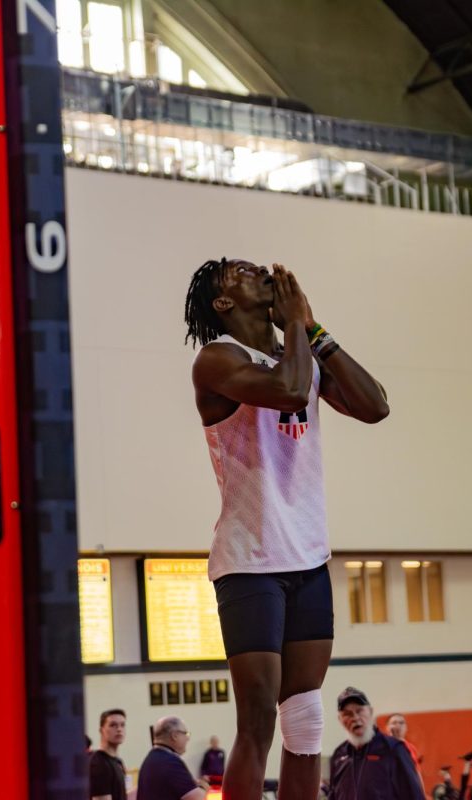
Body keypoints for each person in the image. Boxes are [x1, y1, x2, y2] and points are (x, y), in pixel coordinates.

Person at [185, 259, 389, 800]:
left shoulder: (296, 352)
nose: (259, 270)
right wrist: (296, 324)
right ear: (224, 303)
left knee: (306, 721)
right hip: (250, 560)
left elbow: (376, 406)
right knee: (257, 722)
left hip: (307, 557)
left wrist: (314, 330)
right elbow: (291, 391)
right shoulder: (218, 358)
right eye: (241, 273)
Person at [329, 687, 425, 799]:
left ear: (370, 712)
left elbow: (413, 795)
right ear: (340, 719)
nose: (355, 718)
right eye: (347, 714)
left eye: (359, 711)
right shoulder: (339, 755)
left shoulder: (393, 749)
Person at [137, 716, 208, 800]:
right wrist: (203, 787)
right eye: (186, 734)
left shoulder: (150, 760)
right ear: (174, 736)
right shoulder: (170, 762)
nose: (187, 738)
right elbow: (197, 798)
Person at [89, 709, 128, 800]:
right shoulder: (98, 763)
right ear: (101, 730)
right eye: (113, 725)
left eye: (122, 725)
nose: (119, 729)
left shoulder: (118, 762)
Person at [387, 713, 424, 785]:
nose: (398, 725)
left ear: (406, 728)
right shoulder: (383, 747)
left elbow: (417, 773)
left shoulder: (411, 748)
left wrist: (421, 794)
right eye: (394, 723)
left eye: (401, 723)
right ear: (387, 728)